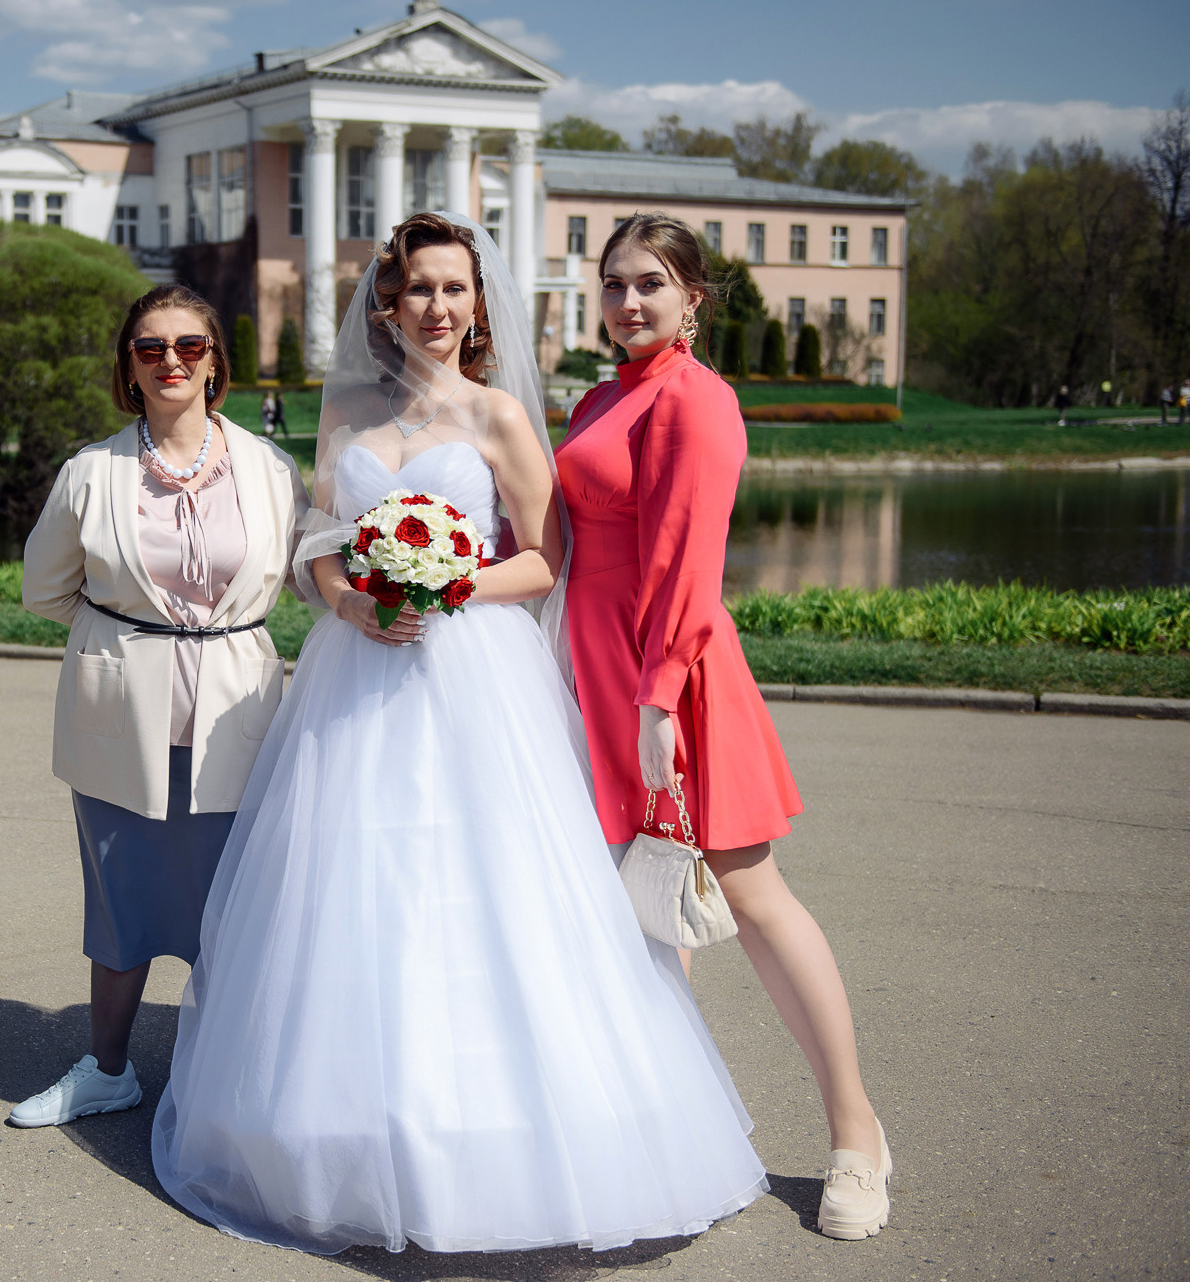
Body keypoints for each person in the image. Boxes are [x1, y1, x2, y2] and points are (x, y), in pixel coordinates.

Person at [151, 213, 767, 1255]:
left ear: (477, 306)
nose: (436, 307)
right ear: (384, 305)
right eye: (417, 290)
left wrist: (448, 584)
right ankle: (334, 1124)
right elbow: (316, 544)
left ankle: (507, 1132)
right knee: (353, 890)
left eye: (454, 289)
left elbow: (542, 559)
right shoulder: (344, 408)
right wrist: (350, 603)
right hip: (355, 676)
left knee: (490, 889)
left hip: (472, 673)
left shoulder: (498, 419)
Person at [554, 212, 892, 1241]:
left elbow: (690, 569)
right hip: (593, 674)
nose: (626, 303)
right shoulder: (596, 396)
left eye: (649, 284)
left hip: (676, 679)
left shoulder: (698, 401)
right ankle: (665, 1124)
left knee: (747, 897)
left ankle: (854, 1135)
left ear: (694, 297)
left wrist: (658, 701)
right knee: (641, 910)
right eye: (611, 284)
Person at [15, 284, 310, 1127]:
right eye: (151, 348)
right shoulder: (90, 473)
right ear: (129, 367)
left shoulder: (269, 469)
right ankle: (108, 1069)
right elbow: (46, 591)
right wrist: (133, 641)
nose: (171, 360)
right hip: (121, 715)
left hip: (236, 712)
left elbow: (306, 575)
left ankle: (233, 1080)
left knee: (235, 901)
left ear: (216, 359)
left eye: (189, 345)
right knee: (122, 896)